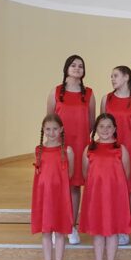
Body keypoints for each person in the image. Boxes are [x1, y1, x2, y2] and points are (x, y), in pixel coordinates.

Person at [46, 55, 96, 245]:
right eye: (73, 65)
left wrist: (81, 137)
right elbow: (49, 120)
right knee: (58, 186)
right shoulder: (56, 92)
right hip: (59, 146)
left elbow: (92, 122)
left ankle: (71, 226)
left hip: (80, 144)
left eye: (80, 66)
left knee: (75, 186)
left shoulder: (89, 94)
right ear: (66, 68)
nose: (77, 68)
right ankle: (56, 226)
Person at [79, 114, 131, 260]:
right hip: (96, 195)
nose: (105, 130)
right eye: (101, 126)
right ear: (96, 129)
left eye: (109, 126)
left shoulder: (121, 149)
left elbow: (126, 173)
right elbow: (86, 173)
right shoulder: (89, 149)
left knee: (112, 231)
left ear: (115, 129)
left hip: (114, 196)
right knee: (97, 231)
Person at [101, 66, 131, 245]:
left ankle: (125, 227)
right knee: (110, 188)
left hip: (130, 150)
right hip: (109, 151)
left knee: (127, 189)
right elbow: (102, 124)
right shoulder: (106, 98)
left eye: (115, 76)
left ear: (126, 77)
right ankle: (109, 223)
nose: (112, 79)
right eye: (111, 76)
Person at [31, 114, 74, 260]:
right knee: (46, 232)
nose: (52, 132)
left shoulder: (67, 151)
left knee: (60, 232)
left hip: (60, 196)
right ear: (43, 130)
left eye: (55, 129)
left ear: (61, 129)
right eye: (48, 129)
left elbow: (69, 174)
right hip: (44, 197)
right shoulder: (39, 150)